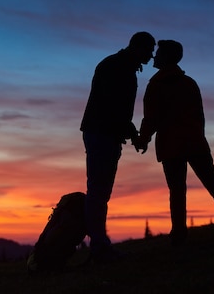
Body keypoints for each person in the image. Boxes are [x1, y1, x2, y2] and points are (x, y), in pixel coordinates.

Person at [134, 40, 214, 246]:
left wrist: (143, 139)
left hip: (172, 146)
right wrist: (198, 136)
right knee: (212, 181)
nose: (154, 56)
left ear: (167, 57)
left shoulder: (156, 85)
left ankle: (179, 234)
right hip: (195, 141)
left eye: (159, 53)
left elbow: (151, 118)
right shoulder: (189, 83)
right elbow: (200, 116)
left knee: (177, 190)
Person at [80, 31, 156, 261]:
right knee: (98, 191)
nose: (151, 56)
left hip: (104, 133)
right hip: (102, 133)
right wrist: (133, 133)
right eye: (149, 50)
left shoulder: (120, 66)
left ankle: (98, 245)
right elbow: (112, 108)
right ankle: (99, 247)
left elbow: (117, 110)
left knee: (100, 190)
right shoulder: (116, 67)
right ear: (138, 47)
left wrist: (130, 133)